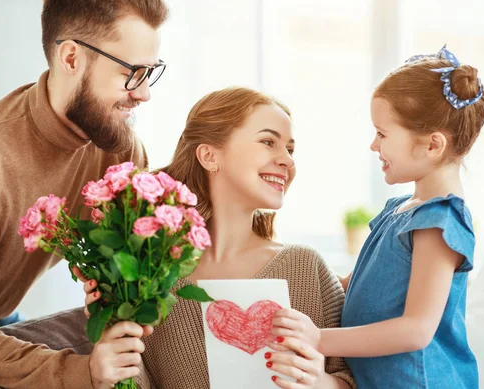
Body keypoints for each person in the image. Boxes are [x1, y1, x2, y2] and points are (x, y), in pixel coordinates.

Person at [0, 1, 169, 388]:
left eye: (151, 73)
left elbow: (127, 272)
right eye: (132, 73)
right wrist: (83, 373)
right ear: (71, 58)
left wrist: (115, 289)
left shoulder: (119, 148)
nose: (145, 93)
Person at [84, 87, 357, 389]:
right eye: (269, 142)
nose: (288, 161)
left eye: (290, 150)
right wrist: (105, 365)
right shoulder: (148, 277)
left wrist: (318, 382)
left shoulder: (307, 268)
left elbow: (351, 380)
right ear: (209, 155)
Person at [272, 45, 484, 388]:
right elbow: (360, 286)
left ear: (432, 145)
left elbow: (416, 330)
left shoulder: (439, 221)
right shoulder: (399, 210)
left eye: (383, 134)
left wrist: (319, 339)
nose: (374, 145)